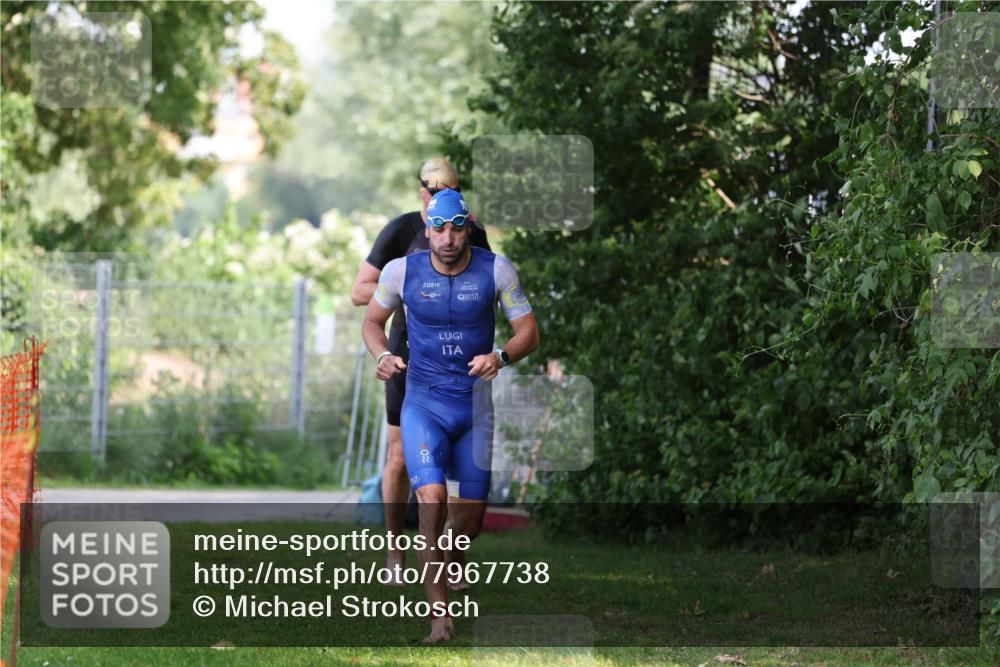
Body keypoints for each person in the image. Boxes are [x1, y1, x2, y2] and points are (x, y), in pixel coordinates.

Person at [362, 188, 539, 643]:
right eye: (438, 228)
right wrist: (381, 354)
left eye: (456, 228)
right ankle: (439, 617)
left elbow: (528, 333)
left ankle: (446, 550)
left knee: (469, 525)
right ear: (428, 229)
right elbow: (371, 321)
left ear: (468, 227)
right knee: (431, 500)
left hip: (475, 408)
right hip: (423, 403)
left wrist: (499, 356)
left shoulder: (496, 269)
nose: (447, 238)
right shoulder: (402, 272)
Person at [350, 158, 490, 582]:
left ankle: (454, 562)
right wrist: (411, 288)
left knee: (461, 467)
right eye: (430, 193)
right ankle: (395, 551)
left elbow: (488, 283)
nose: (437, 202)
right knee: (398, 458)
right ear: (420, 194)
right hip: (407, 357)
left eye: (447, 191)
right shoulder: (401, 230)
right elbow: (359, 293)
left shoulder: (471, 230)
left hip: (460, 364)